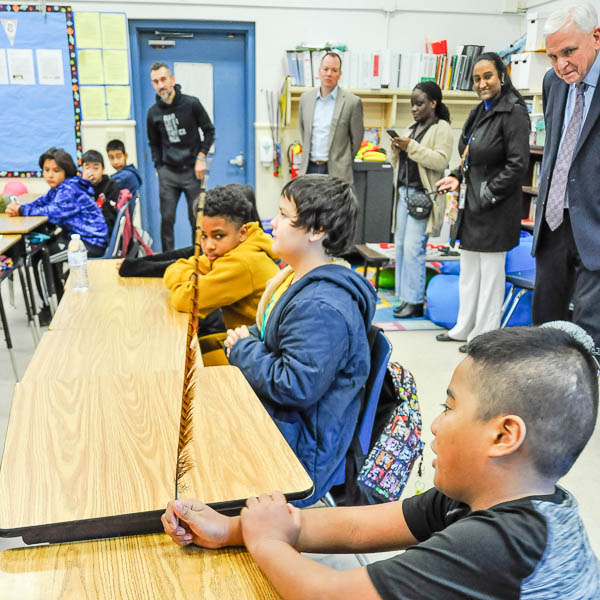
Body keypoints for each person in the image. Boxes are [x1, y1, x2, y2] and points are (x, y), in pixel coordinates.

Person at [163, 324, 600, 599]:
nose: (433, 424)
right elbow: (355, 527)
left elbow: (328, 594)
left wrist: (266, 542)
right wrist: (231, 528)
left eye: (449, 408)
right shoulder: (484, 499)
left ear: (503, 435)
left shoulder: (501, 544)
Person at [223, 175, 377, 505]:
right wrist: (248, 343)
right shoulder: (296, 281)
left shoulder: (321, 308)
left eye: (283, 215)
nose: (273, 223)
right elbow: (265, 332)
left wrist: (242, 348)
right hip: (287, 426)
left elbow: (293, 385)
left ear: (316, 230)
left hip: (300, 452)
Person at [435, 52, 530, 352]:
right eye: (477, 78)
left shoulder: (514, 112)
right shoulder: (479, 111)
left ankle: (484, 334)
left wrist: (489, 193)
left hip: (496, 206)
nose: (482, 83)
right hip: (471, 205)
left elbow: (518, 164)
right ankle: (464, 326)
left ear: (502, 75)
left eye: (487, 76)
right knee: (469, 269)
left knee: (490, 275)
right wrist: (455, 176)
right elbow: (469, 154)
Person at [531, 3, 600, 347]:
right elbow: (556, 143)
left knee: (588, 335)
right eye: (553, 56)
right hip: (554, 221)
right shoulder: (552, 82)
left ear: (597, 37)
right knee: (545, 328)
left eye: (569, 52)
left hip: (596, 226)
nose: (561, 65)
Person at [163, 184, 279, 365]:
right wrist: (192, 277)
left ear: (242, 232)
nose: (208, 245)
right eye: (203, 236)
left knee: (183, 364)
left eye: (218, 236)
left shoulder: (241, 262)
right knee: (190, 351)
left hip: (261, 355)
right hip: (244, 340)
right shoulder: (230, 250)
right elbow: (175, 268)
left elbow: (183, 299)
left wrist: (191, 280)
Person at [390, 82, 453, 319]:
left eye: (420, 104)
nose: (414, 109)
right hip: (405, 193)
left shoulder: (442, 128)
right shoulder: (411, 127)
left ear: (433, 103)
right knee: (401, 247)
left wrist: (412, 147)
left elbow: (441, 161)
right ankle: (404, 296)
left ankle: (415, 301)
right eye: (412, 105)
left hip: (423, 198)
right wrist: (398, 147)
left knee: (414, 248)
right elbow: (399, 162)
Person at [147, 61, 215, 251]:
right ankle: (167, 260)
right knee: (167, 219)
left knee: (196, 219)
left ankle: (199, 257)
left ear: (172, 80)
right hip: (168, 172)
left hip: (192, 171)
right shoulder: (153, 113)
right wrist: (159, 168)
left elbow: (209, 131)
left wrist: (201, 157)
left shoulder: (191, 104)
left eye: (163, 79)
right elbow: (154, 144)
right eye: (155, 82)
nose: (160, 85)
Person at [5, 147, 108, 257]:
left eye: (56, 170)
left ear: (66, 171)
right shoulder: (57, 188)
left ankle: (55, 274)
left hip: (91, 243)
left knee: (43, 251)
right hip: (80, 238)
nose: (50, 175)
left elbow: (53, 211)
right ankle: (55, 274)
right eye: (46, 170)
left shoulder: (69, 188)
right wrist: (18, 207)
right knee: (44, 245)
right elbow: (41, 202)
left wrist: (21, 210)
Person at [298, 52, 364, 183]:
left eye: (334, 70)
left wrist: (342, 160)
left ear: (340, 74)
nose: (329, 74)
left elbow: (356, 140)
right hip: (309, 169)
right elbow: (303, 132)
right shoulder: (305, 99)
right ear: (319, 71)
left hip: (337, 172)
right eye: (326, 69)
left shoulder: (352, 102)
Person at [81, 149, 121, 234]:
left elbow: (110, 219)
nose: (91, 173)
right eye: (87, 168)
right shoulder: (80, 187)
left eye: (95, 168)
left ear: (103, 169)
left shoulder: (111, 186)